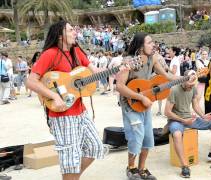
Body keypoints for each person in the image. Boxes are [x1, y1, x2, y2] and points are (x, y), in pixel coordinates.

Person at [26, 20, 104, 180]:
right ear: (60, 35)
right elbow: (31, 81)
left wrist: (119, 69)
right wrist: (54, 96)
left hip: (80, 112)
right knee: (70, 158)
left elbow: (95, 72)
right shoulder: (50, 54)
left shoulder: (77, 52)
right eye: (70, 30)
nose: (75, 32)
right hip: (62, 115)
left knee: (95, 147)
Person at [116, 32, 176, 180]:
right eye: (149, 42)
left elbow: (167, 77)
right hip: (131, 104)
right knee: (136, 136)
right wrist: (140, 97)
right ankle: (131, 168)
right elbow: (119, 86)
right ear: (141, 46)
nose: (153, 45)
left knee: (148, 137)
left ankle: (142, 168)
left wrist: (186, 78)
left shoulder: (153, 58)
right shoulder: (128, 61)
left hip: (145, 104)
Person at [164, 70, 211, 178]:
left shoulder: (193, 88)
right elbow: (167, 112)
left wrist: (203, 116)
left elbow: (195, 105)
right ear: (183, 79)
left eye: (193, 85)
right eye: (189, 85)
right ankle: (184, 166)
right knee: (177, 134)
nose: (191, 87)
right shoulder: (174, 90)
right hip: (176, 120)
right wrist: (183, 121)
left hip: (189, 119)